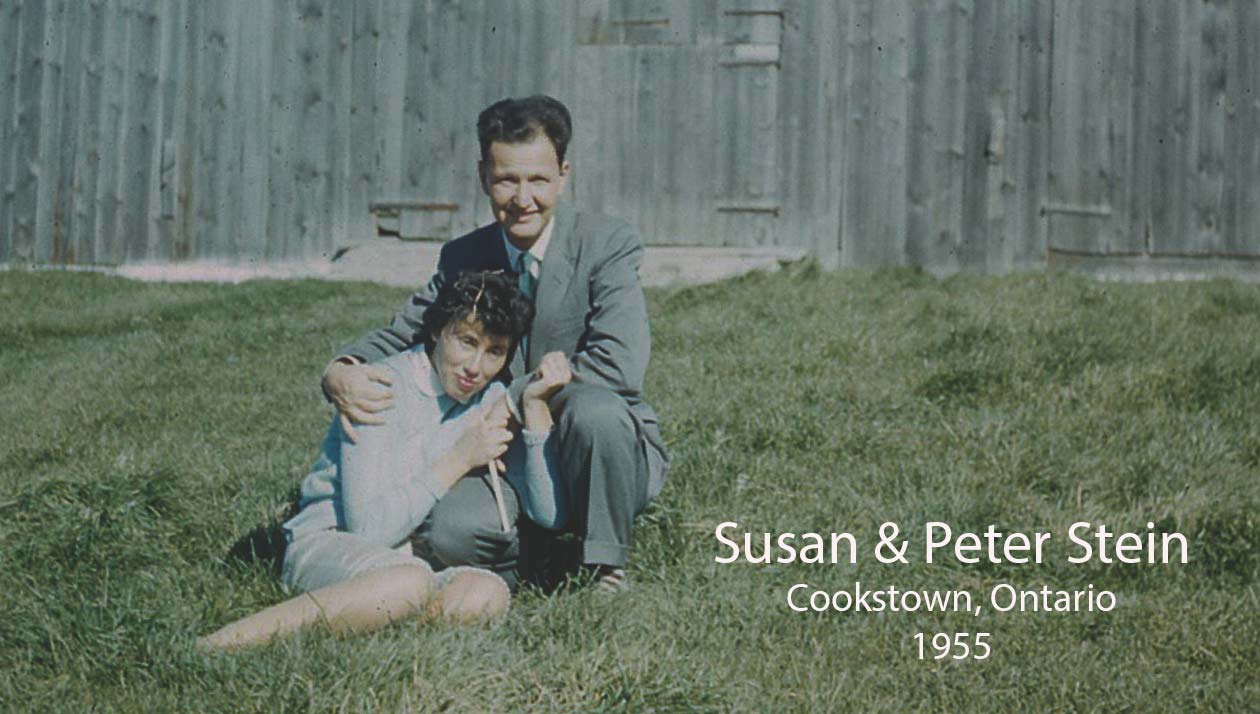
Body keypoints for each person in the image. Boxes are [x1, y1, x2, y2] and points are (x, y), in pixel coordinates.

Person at [322, 95, 668, 590]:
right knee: (449, 534)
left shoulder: (607, 243)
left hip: (593, 447)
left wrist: (514, 398)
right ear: (484, 175)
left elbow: (619, 365)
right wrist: (341, 368)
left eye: (538, 181)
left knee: (597, 412)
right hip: (511, 450)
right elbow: (408, 330)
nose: (522, 198)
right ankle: (539, 557)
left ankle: (605, 564)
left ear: (564, 175)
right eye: (507, 179)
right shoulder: (466, 256)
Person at [199, 271, 571, 648]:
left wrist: (535, 406)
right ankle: (224, 644)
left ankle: (380, 634)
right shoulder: (380, 386)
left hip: (411, 561)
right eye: (466, 341)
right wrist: (460, 458)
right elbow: (369, 531)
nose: (475, 367)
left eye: (494, 351)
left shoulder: (488, 398)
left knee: (483, 593)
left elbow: (549, 514)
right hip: (332, 544)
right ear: (437, 331)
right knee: (408, 582)